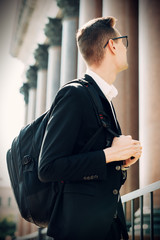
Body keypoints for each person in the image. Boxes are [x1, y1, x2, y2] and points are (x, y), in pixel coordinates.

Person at [38, 16, 142, 240]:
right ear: (113, 45)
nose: (125, 47)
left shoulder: (101, 96)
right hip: (80, 230)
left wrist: (120, 160)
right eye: (123, 41)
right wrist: (110, 154)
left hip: (105, 227)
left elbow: (87, 161)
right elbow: (48, 168)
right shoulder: (74, 94)